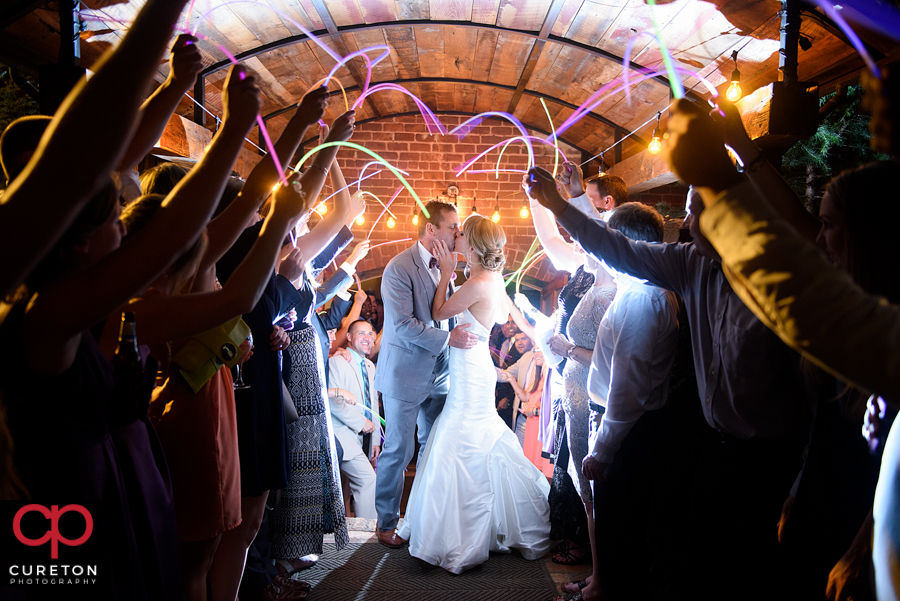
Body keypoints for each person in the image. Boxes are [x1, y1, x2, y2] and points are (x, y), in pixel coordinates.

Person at [526, 162, 813, 600]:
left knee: (745, 571)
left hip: (770, 457)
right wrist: (559, 204)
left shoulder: (777, 273)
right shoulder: (691, 263)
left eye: (697, 211)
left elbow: (630, 383)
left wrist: (604, 446)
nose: (688, 223)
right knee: (693, 562)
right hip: (714, 445)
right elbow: (615, 247)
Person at [396, 213, 552, 573]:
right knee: (473, 432)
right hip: (475, 362)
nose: (457, 237)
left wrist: (448, 275)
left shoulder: (478, 282)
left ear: (476, 245)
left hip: (469, 367)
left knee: (459, 434)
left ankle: (454, 533)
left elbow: (438, 311)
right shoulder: (492, 279)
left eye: (462, 233)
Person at [573, 203, 679, 601]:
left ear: (630, 243)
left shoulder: (643, 299)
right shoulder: (638, 289)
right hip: (631, 427)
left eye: (611, 242)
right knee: (618, 528)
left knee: (622, 533)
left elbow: (628, 387)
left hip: (631, 431)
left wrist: (603, 449)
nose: (604, 252)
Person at [372, 199, 479, 548]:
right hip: (405, 374)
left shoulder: (450, 263)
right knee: (399, 451)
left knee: (434, 447)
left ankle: (424, 516)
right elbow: (402, 325)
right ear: (431, 229)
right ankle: (386, 522)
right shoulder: (398, 268)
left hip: (442, 374)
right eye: (453, 227)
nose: (458, 233)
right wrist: (448, 337)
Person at [328, 319, 381, 519]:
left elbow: (373, 403)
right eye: (361, 333)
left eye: (370, 334)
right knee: (367, 480)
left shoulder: (369, 365)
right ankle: (366, 532)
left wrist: (375, 438)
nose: (367, 338)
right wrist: (362, 423)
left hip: (365, 437)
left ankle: (348, 528)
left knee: (348, 488)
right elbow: (334, 403)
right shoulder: (337, 361)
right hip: (342, 434)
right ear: (349, 337)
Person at [497, 334, 540, 445]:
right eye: (517, 340)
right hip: (522, 418)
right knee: (519, 457)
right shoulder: (526, 357)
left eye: (523, 338)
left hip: (540, 420)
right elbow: (504, 375)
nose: (520, 342)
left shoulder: (551, 361)